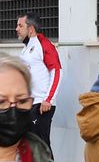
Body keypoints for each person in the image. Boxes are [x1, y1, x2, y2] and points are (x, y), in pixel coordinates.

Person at [15, 14, 64, 150]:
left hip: (41, 106)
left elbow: (57, 71)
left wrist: (48, 99)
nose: (16, 29)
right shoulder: (26, 48)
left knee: (41, 147)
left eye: (20, 26)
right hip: (28, 104)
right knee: (29, 148)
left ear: (30, 29)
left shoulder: (43, 44)